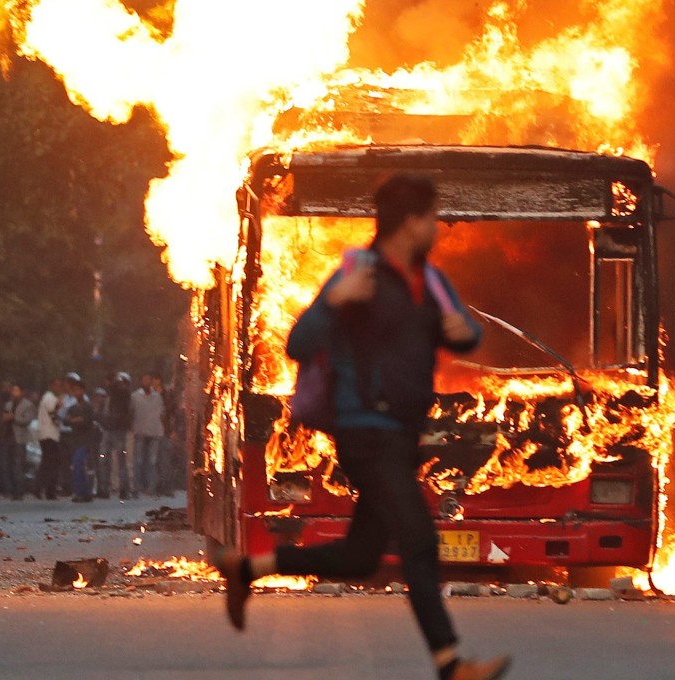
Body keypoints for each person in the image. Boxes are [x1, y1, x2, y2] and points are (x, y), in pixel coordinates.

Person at [213, 175, 509, 680]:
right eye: (433, 219)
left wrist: (465, 333)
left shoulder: (430, 282)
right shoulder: (357, 273)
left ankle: (249, 569)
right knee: (418, 539)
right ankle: (451, 664)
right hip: (364, 434)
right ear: (412, 223)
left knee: (359, 557)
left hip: (402, 434)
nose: (438, 228)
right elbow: (300, 344)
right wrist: (333, 303)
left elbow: (464, 333)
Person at [130, 372, 165, 497]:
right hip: (140, 431)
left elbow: (162, 412)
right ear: (141, 382)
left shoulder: (157, 396)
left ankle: (152, 487)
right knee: (138, 461)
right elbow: (131, 413)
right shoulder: (135, 397)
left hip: (155, 431)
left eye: (148, 380)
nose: (146, 382)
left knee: (152, 461)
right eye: (144, 380)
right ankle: (137, 487)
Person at [101, 372, 133, 499]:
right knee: (106, 459)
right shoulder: (110, 397)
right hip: (109, 429)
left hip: (118, 430)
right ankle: (105, 488)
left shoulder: (124, 395)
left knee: (119, 460)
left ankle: (122, 489)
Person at [64, 377, 95, 503]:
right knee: (77, 466)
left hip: (85, 440)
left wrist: (74, 420)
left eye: (78, 390)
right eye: (74, 391)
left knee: (79, 464)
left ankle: (83, 492)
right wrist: (75, 420)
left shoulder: (87, 406)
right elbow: (65, 420)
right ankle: (81, 492)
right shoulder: (72, 408)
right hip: (75, 440)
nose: (77, 393)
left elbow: (86, 420)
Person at [35, 377, 65, 500]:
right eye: (56, 385)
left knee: (48, 463)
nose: (58, 388)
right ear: (51, 386)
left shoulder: (50, 398)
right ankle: (48, 490)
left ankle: (42, 488)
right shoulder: (49, 398)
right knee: (51, 464)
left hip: (49, 434)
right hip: (49, 434)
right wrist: (59, 407)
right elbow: (53, 414)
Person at [8, 383, 36, 500]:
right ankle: (11, 488)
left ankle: (19, 491)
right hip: (8, 437)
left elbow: (27, 420)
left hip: (20, 437)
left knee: (19, 464)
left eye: (16, 390)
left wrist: (13, 418)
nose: (14, 393)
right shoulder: (8, 404)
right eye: (13, 390)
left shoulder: (28, 405)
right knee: (10, 464)